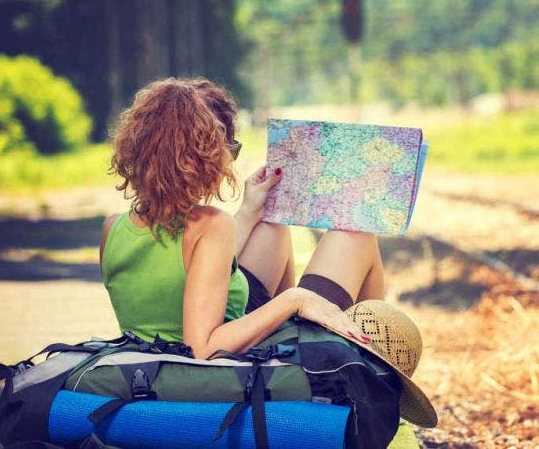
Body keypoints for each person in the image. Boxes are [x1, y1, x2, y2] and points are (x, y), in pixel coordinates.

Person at [99, 77, 383, 360]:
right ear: (205, 157)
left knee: (272, 223)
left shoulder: (112, 229)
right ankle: (375, 370)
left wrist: (249, 211)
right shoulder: (210, 224)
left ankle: (302, 336)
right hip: (221, 366)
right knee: (357, 237)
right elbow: (200, 349)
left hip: (157, 362)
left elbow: (178, 273)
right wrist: (294, 300)